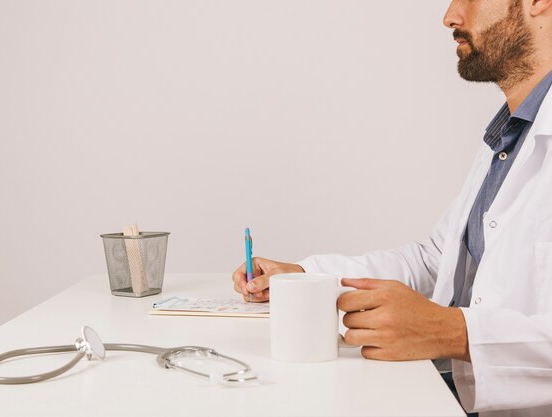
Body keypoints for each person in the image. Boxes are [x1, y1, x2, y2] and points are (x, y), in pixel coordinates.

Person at [231, 1, 552, 416]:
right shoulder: (513, 135)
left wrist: (453, 333)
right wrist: (307, 277)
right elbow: (437, 260)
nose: (451, 16)